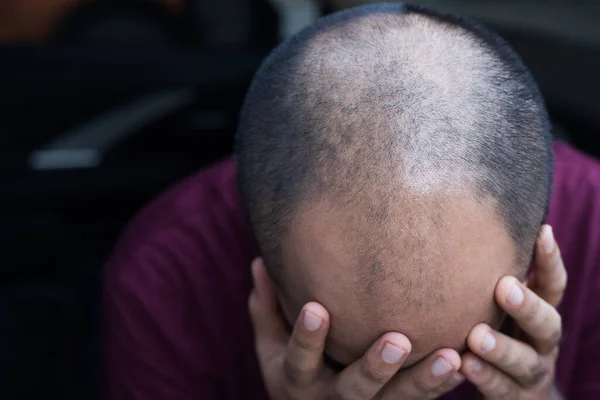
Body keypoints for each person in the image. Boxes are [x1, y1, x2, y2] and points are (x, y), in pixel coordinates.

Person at [101, 4, 600, 399]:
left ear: (536, 254)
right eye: (342, 363)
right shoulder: (165, 273)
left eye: (471, 356)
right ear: (263, 274)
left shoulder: (595, 225)